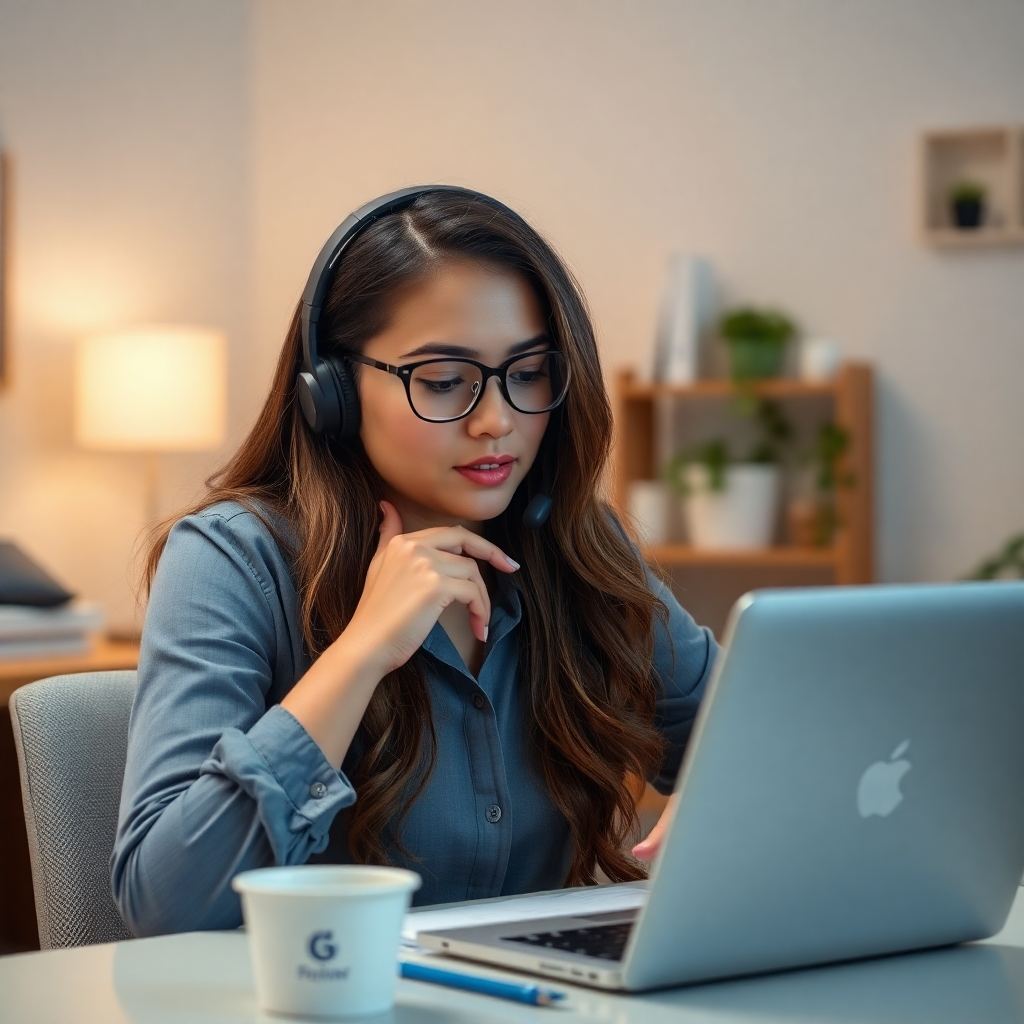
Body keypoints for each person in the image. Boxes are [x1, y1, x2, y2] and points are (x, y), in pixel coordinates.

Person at [111, 187, 718, 936]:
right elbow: (167, 905)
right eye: (443, 382)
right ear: (329, 391)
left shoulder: (576, 545)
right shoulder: (235, 560)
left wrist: (722, 787)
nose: (497, 421)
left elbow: (763, 732)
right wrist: (361, 652)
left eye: (527, 374)